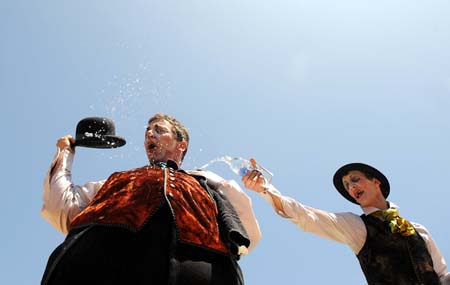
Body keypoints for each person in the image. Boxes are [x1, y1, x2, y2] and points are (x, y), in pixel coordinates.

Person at [40, 113, 261, 285]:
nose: (149, 134)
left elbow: (248, 235)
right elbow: (60, 207)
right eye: (147, 130)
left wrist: (250, 188)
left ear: (180, 145)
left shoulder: (208, 183)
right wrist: (65, 153)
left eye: (158, 130)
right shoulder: (116, 181)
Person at [243, 161, 449, 285]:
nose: (351, 187)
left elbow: (441, 276)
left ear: (375, 181)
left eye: (355, 179)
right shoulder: (355, 225)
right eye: (347, 185)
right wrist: (265, 189)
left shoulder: (419, 230)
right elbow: (305, 216)